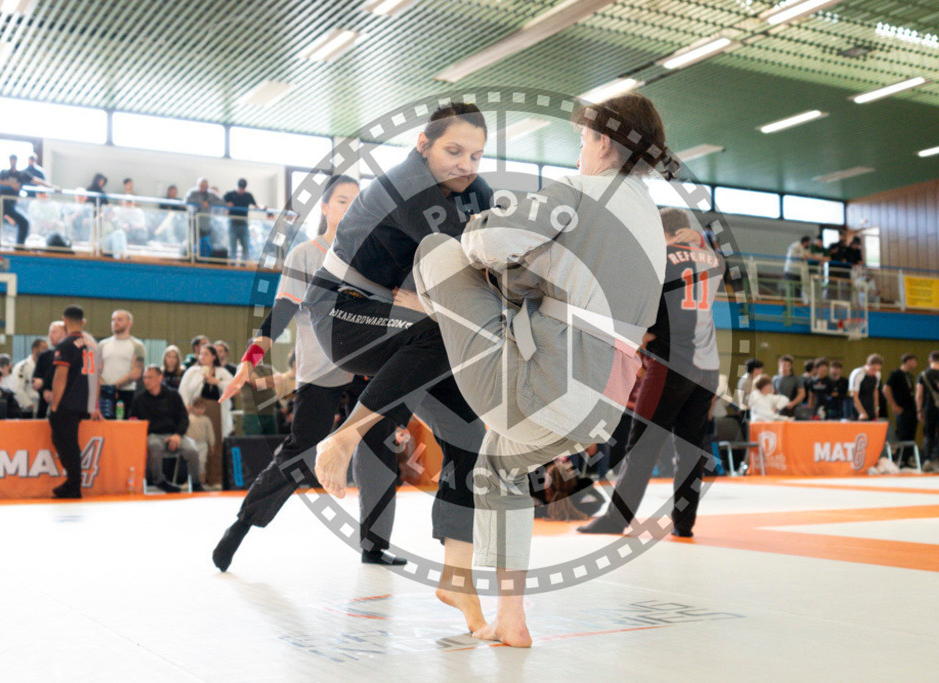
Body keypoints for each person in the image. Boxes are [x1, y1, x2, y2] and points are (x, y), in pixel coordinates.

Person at [407, 93, 677, 647]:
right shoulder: (651, 218)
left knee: (438, 250)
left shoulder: (577, 191)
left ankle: (422, 333)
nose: (580, 150)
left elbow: (485, 240)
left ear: (604, 142)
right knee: (496, 464)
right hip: (607, 399)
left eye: (584, 139)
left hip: (551, 380)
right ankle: (511, 619)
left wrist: (490, 236)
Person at [301, 103, 496, 633]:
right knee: (436, 330)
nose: (465, 164)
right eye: (453, 151)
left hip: (407, 326)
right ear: (421, 144)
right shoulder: (408, 187)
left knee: (469, 432)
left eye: (476, 155)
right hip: (341, 312)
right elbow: (469, 272)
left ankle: (457, 575)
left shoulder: (475, 192)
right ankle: (344, 438)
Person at [215, 175, 414, 569]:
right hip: (320, 371)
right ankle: (242, 524)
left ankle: (374, 546)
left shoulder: (376, 257)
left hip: (368, 370)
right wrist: (247, 362)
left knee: (378, 449)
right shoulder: (306, 255)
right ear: (324, 208)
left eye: (357, 202)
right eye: (342, 201)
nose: (350, 208)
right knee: (301, 451)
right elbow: (281, 314)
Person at [578, 207, 719, 539]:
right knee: (691, 449)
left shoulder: (660, 256)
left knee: (642, 445)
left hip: (671, 364)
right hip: (708, 369)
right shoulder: (713, 261)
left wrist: (641, 333)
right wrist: (699, 239)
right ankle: (684, 524)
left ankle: (616, 519)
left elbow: (640, 303)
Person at [48, 306, 103, 498]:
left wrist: (54, 405)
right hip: (84, 401)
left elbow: (60, 377)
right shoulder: (93, 344)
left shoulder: (65, 344)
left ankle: (74, 485)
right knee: (67, 441)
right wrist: (94, 405)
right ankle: (72, 483)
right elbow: (97, 376)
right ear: (83, 321)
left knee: (67, 443)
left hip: (68, 401)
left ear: (64, 320)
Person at [130, 365, 205, 492]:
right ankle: (159, 481)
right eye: (144, 378)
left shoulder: (173, 396)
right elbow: (132, 418)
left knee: (192, 450)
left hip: (174, 434)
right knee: (154, 446)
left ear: (160, 378)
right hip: (152, 434)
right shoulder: (139, 399)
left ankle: (196, 483)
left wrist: (177, 435)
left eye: (150, 377)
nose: (146, 381)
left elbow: (183, 419)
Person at [97, 309, 146, 418]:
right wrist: (107, 388)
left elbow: (136, 372)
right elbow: (97, 370)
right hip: (104, 392)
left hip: (126, 392)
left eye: (120, 319)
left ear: (129, 323)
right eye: (113, 320)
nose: (115, 322)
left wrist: (114, 387)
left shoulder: (137, 345)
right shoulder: (102, 345)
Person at [179, 344, 233, 437]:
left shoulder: (221, 372)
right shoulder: (192, 371)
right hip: (195, 409)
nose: (202, 357)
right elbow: (183, 389)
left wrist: (217, 382)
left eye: (206, 354)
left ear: (213, 357)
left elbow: (233, 386)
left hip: (216, 411)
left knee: (216, 437)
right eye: (201, 354)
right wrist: (186, 404)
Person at [916, 351, 939, 472]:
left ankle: (926, 460)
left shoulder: (923, 374)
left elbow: (919, 394)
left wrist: (919, 410)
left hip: (929, 408)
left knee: (929, 435)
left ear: (929, 360)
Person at [884, 353, 918, 464]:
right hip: (901, 409)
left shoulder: (909, 375)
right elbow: (886, 389)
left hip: (911, 408)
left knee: (910, 434)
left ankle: (907, 458)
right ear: (908, 361)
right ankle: (900, 459)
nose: (916, 364)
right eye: (914, 361)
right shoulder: (896, 374)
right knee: (902, 434)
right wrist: (894, 405)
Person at [223, 179, 264, 264]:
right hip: (232, 223)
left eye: (243, 188)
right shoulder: (230, 195)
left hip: (244, 224)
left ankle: (243, 265)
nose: (241, 190)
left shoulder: (248, 196)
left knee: (245, 246)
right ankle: (232, 265)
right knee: (232, 247)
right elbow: (219, 202)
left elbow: (256, 206)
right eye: (240, 187)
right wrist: (226, 205)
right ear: (237, 186)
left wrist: (263, 208)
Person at [0, 154, 31, 248]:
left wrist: (53, 187)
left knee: (24, 223)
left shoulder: (21, 175)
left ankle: (19, 246)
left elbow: (36, 180)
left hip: (11, 206)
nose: (13, 162)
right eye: (12, 160)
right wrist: (11, 184)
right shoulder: (4, 173)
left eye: (15, 160)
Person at [32, 321, 66, 418]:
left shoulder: (71, 355)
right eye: (49, 333)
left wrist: (44, 384)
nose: (50, 336)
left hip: (65, 404)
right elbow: (35, 380)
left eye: (54, 332)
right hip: (44, 404)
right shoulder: (44, 356)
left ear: (64, 333)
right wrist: (44, 390)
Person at [184, 179, 222, 257]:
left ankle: (206, 258)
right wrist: (200, 203)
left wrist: (209, 203)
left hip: (206, 224)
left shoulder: (211, 194)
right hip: (194, 222)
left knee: (207, 242)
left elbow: (220, 202)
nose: (202, 188)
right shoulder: (193, 192)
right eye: (201, 186)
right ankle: (193, 258)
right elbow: (186, 200)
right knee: (194, 241)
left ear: (207, 187)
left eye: (204, 187)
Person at [13, 338, 47, 418]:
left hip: (43, 408)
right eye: (44, 349)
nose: (46, 351)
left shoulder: (47, 367)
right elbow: (17, 389)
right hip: (26, 409)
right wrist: (29, 405)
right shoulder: (22, 367)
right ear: (35, 349)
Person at [186, 396, 216, 480]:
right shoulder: (188, 418)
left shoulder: (206, 420)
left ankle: (202, 481)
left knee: (202, 462)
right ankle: (189, 481)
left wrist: (211, 444)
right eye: (197, 408)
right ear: (192, 408)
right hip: (191, 444)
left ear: (205, 409)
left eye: (202, 408)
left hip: (203, 444)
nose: (199, 410)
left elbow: (210, 433)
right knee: (191, 463)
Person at [849, 354, 883, 421]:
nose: (874, 372)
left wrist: (876, 408)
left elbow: (875, 391)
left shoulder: (878, 374)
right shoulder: (858, 374)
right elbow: (854, 396)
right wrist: (862, 413)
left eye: (877, 370)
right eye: (873, 369)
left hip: (870, 407)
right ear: (867, 364)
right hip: (857, 409)